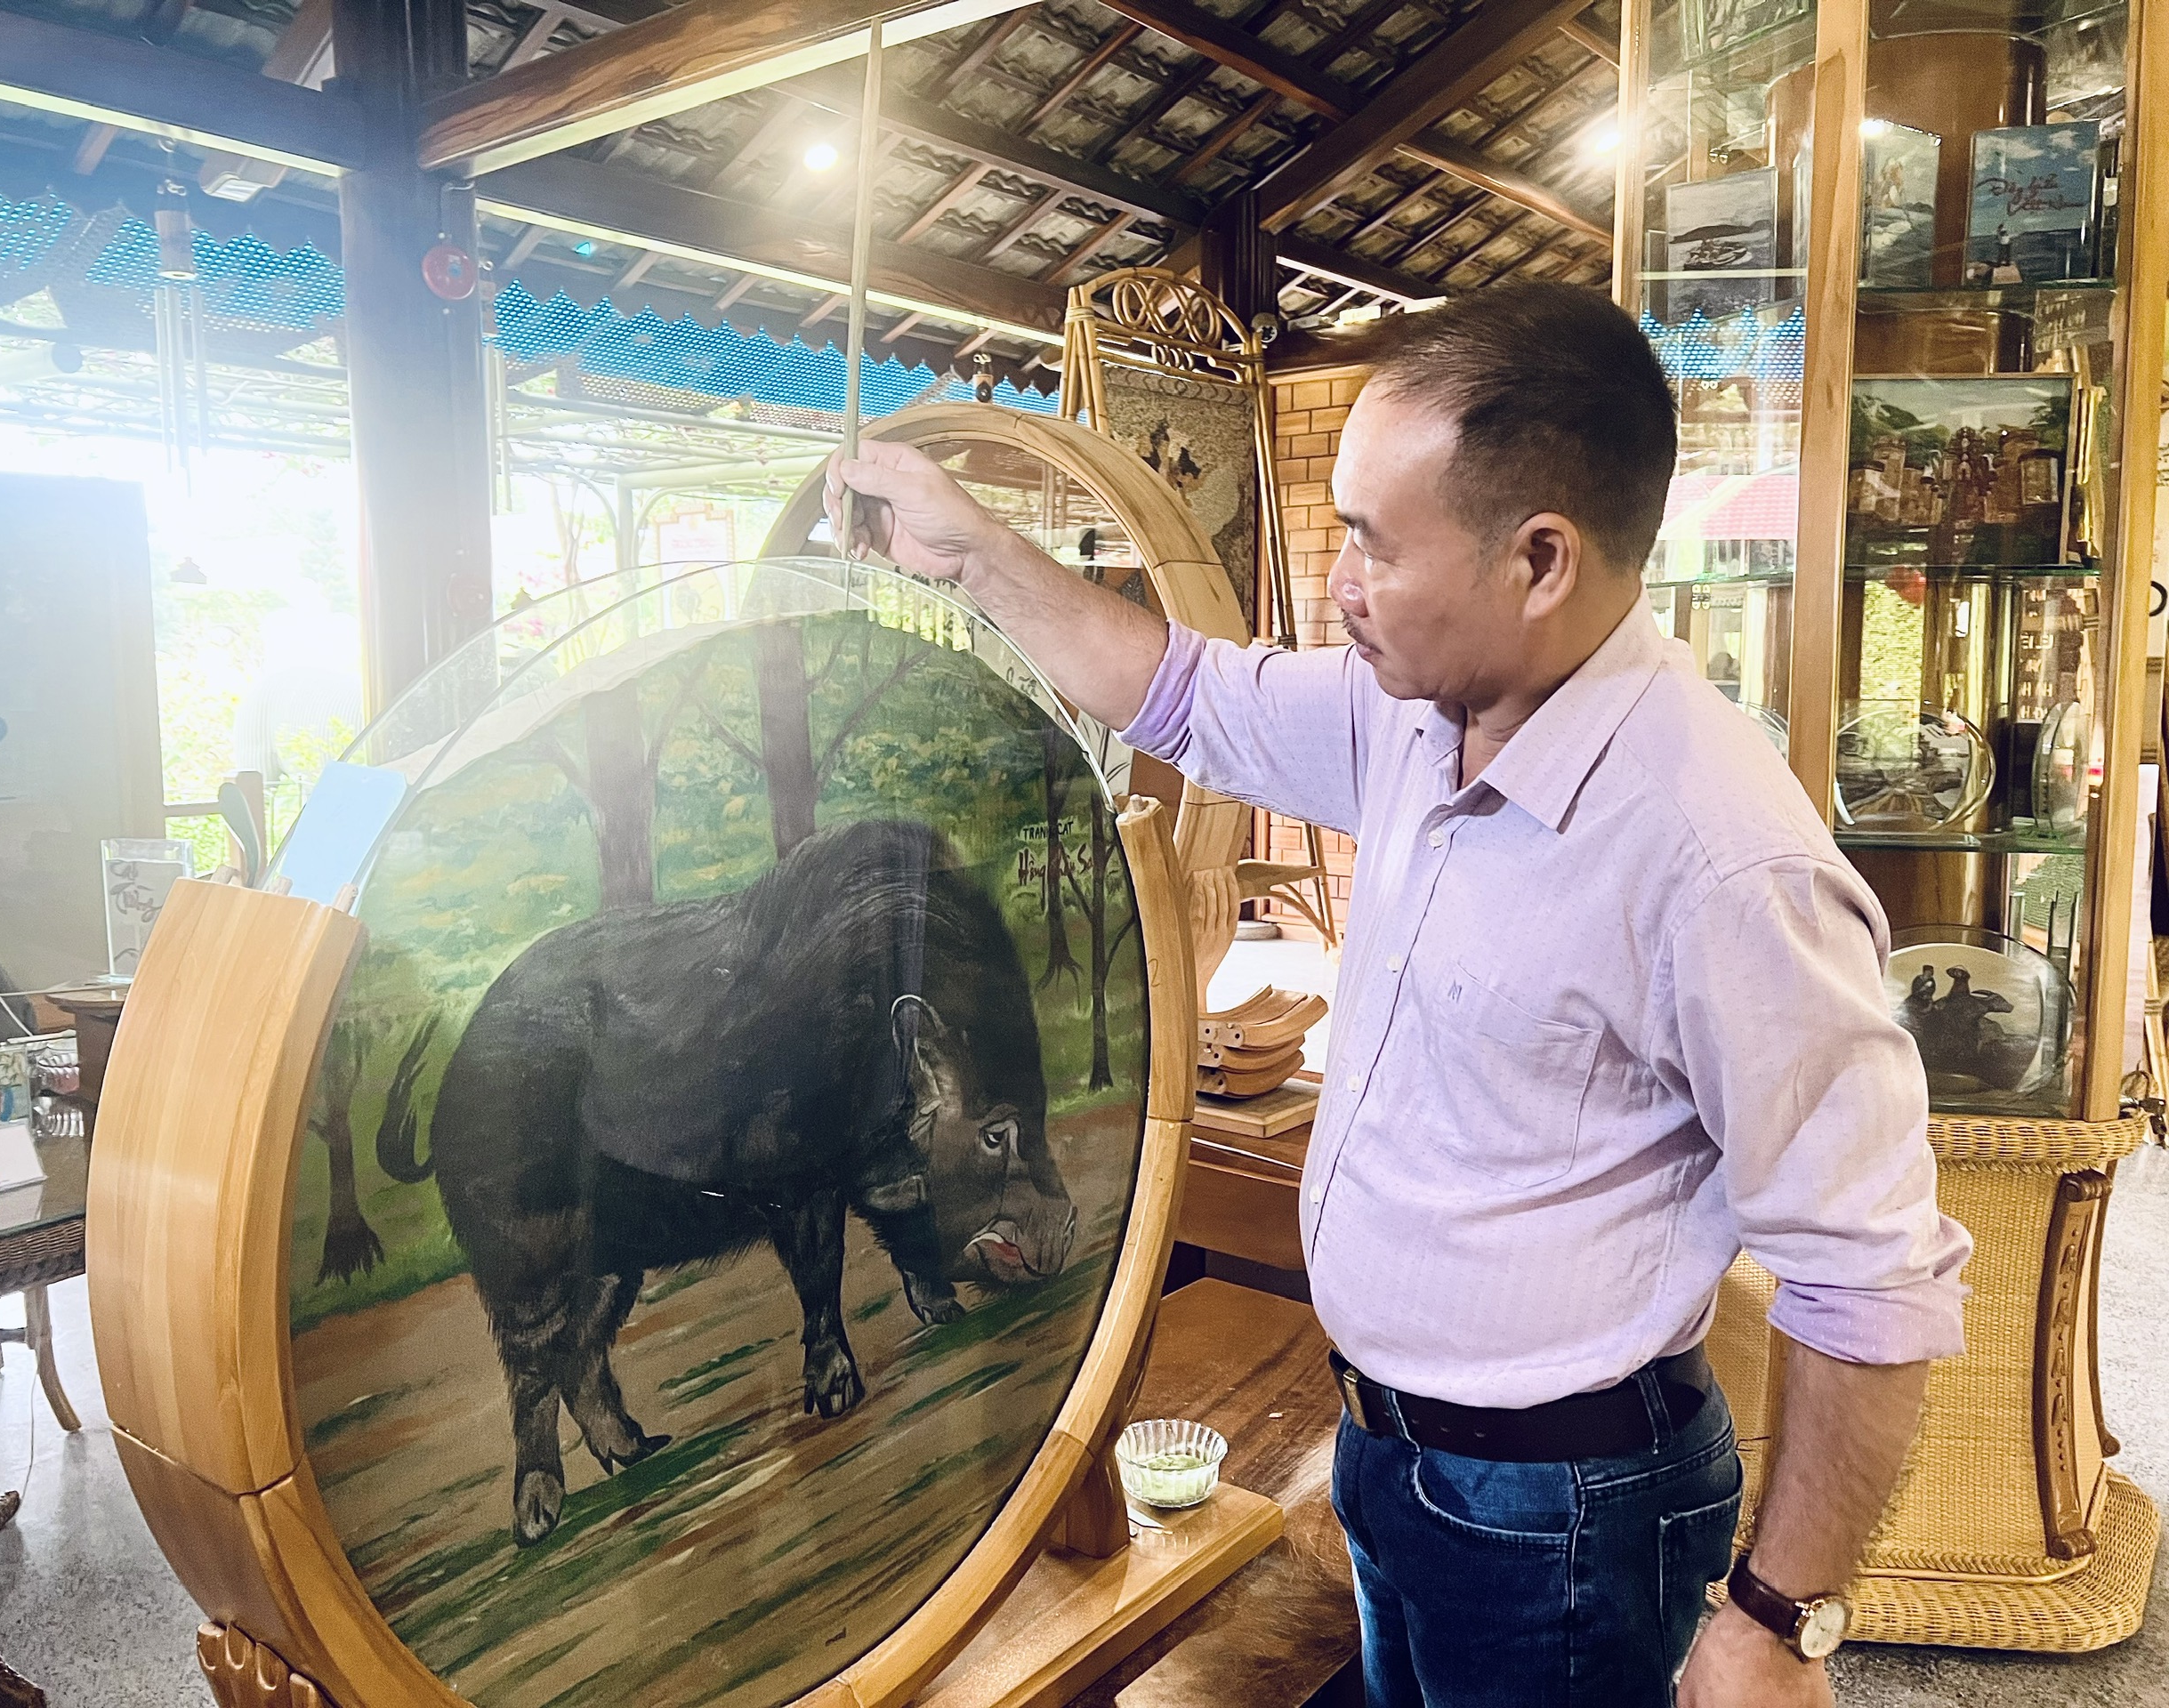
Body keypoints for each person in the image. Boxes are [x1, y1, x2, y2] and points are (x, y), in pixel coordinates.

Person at [825, 280, 1971, 1708]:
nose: (1340, 582)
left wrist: (1778, 1618)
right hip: (1390, 1453)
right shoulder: (1415, 714)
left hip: (1563, 1512)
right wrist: (975, 554)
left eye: (1372, 541)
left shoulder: (1723, 860)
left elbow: (1871, 1280)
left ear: (1539, 559)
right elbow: (1182, 692)